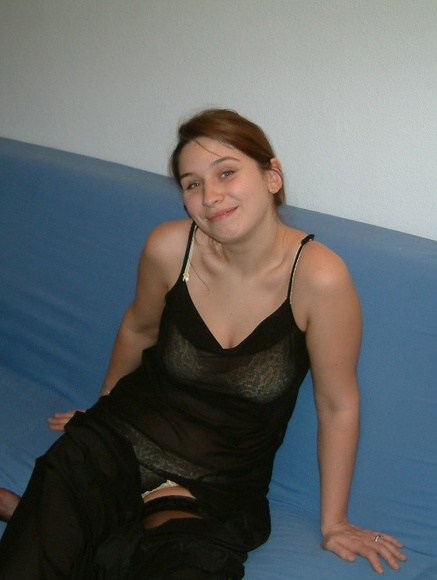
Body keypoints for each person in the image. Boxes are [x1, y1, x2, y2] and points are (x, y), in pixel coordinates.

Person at [0, 109, 406, 579]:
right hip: (116, 445)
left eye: (226, 172)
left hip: (217, 487)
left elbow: (337, 404)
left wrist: (334, 523)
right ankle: (54, 521)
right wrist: (102, 406)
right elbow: (138, 329)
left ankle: (38, 517)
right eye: (192, 184)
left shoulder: (320, 278)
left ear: (272, 176)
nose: (210, 196)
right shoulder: (170, 248)